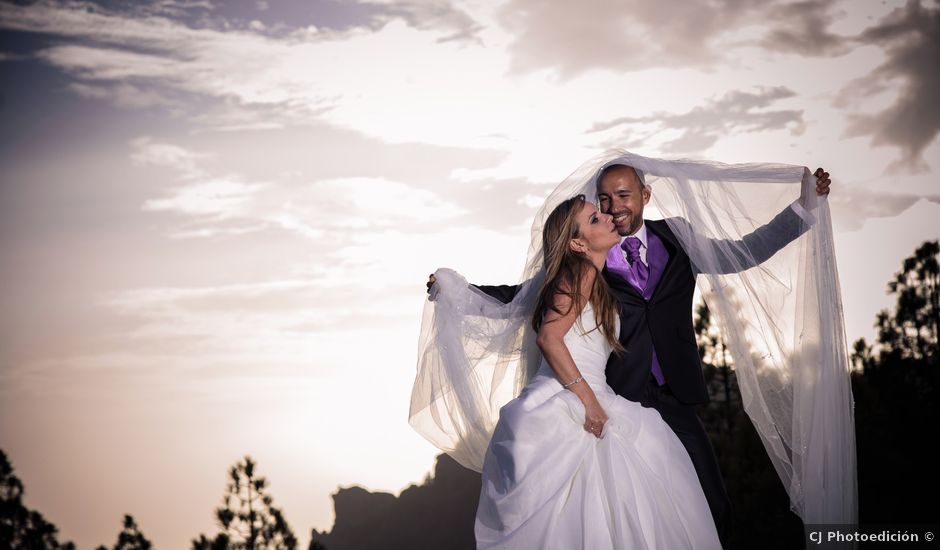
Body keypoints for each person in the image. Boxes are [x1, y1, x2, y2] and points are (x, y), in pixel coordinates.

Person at [425, 160, 833, 545]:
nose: (613, 207)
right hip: (619, 394)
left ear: (645, 195)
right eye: (604, 199)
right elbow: (526, 298)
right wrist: (458, 294)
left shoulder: (677, 238)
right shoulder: (587, 259)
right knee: (617, 516)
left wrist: (803, 209)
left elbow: (745, 250)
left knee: (708, 506)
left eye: (623, 196)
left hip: (674, 396)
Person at [474, 194, 722, 549]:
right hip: (567, 403)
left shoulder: (595, 279)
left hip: (592, 395)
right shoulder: (576, 275)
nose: (607, 217)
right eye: (594, 219)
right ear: (577, 243)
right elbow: (549, 337)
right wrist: (589, 402)